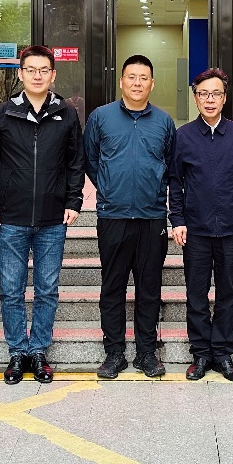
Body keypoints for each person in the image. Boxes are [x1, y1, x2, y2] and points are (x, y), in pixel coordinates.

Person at [0, 45, 85, 385]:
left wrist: (74, 200)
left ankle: (38, 351)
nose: (37, 76)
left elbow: (76, 162)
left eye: (44, 70)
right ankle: (16, 352)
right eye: (31, 70)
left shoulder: (66, 114)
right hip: (11, 217)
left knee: (47, 289)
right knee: (11, 290)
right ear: (20, 74)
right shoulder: (2, 114)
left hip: (53, 219)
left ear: (53, 75)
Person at [85, 55, 177, 379]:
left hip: (152, 218)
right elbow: (90, 160)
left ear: (152, 83)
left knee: (149, 289)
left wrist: (156, 192)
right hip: (113, 216)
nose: (137, 83)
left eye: (143, 78)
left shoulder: (164, 122)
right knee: (112, 287)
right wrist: (109, 189)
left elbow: (171, 165)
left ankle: (146, 353)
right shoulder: (101, 117)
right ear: (121, 81)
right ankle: (114, 353)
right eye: (132, 77)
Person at [168, 68, 233, 382]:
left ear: (224, 97)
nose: (209, 99)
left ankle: (223, 353)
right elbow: (175, 182)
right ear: (195, 98)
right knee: (196, 294)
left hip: (232, 228)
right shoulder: (183, 136)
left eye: (215, 94)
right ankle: (201, 354)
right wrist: (177, 220)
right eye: (203, 94)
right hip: (195, 229)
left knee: (227, 293)